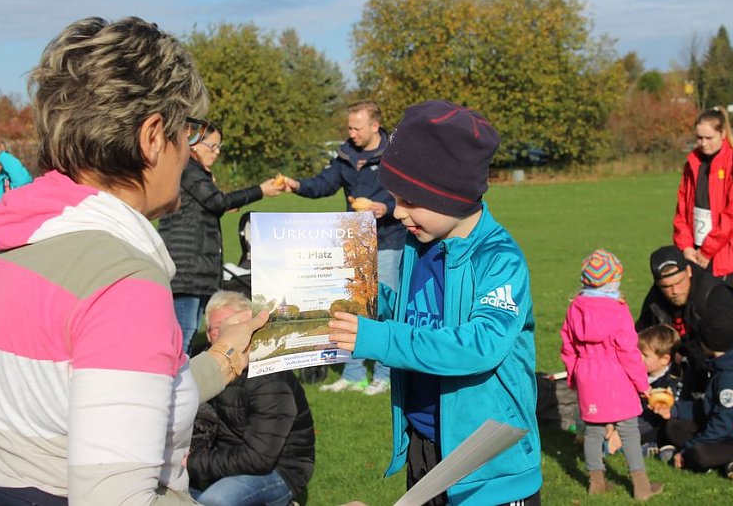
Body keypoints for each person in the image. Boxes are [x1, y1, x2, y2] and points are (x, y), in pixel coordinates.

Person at [0, 16, 268, 505]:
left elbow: (104, 393)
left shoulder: (4, 248)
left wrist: (225, 356)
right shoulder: (120, 282)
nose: (189, 151)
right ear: (154, 136)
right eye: (190, 131)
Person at [329, 100, 542, 505]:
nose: (398, 212)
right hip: (426, 445)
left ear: (453, 194)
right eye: (394, 198)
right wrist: (366, 300)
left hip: (489, 465)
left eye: (410, 200)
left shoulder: (500, 259)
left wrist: (379, 339)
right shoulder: (418, 243)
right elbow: (412, 316)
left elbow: (479, 345)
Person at [284, 100, 405, 395]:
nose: (351, 133)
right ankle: (352, 374)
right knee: (351, 308)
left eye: (357, 127)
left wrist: (385, 208)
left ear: (375, 126)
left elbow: (406, 191)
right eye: (349, 127)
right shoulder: (346, 154)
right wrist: (297, 185)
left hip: (389, 239)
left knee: (383, 309)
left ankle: (385, 374)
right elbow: (324, 184)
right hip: (354, 239)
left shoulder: (395, 152)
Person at [159, 124, 283, 353]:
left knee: (189, 330)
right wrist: (260, 190)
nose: (216, 152)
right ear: (194, 142)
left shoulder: (194, 171)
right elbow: (217, 201)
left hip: (194, 269)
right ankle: (176, 384)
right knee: (183, 335)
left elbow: (209, 204)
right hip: (187, 268)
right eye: (212, 146)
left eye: (219, 147)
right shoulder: (188, 168)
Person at [187, 292, 315, 506]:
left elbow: (258, 459)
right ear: (208, 335)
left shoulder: (270, 378)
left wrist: (190, 462)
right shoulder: (201, 365)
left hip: (277, 469)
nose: (225, 334)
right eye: (217, 328)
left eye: (235, 326)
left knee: (215, 500)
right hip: (222, 460)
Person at [560, 249, 662, 500]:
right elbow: (628, 351)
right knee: (629, 430)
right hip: (615, 376)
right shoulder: (618, 309)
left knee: (593, 432)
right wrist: (642, 383)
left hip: (587, 375)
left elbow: (568, 347)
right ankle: (641, 486)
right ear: (613, 281)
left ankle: (596, 482)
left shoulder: (575, 309)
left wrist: (574, 376)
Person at [651, 305, 733, 479]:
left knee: (698, 454)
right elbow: (708, 407)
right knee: (673, 427)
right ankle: (727, 463)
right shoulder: (724, 362)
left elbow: (722, 422)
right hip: (724, 432)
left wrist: (685, 451)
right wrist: (675, 410)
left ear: (710, 342)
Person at [637, 245, 733, 396]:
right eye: (666, 286)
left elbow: (725, 344)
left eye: (679, 282)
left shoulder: (715, 293)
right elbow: (641, 333)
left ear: (689, 271)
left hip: (732, 368)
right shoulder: (655, 298)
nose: (675, 291)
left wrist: (685, 358)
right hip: (686, 371)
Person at [673, 107, 733, 285]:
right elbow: (682, 210)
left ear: (722, 134)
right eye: (699, 137)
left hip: (722, 254)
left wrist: (707, 250)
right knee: (690, 308)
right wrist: (685, 245)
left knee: (713, 307)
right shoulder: (692, 164)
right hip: (693, 252)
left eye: (709, 138)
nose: (703, 143)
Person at [636, 324, 685, 459]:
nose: (639, 358)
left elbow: (668, 411)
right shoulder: (639, 374)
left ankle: (652, 447)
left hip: (654, 425)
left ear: (664, 359)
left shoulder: (671, 383)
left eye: (645, 355)